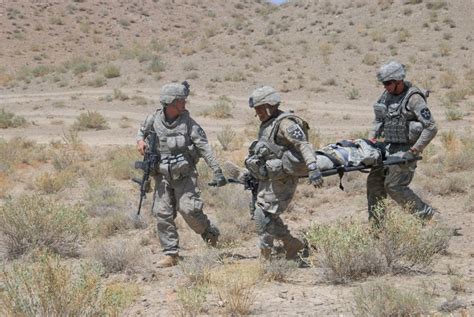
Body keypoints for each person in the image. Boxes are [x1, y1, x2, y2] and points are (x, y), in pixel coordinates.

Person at [136, 81, 227, 268]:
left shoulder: (190, 125)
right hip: (161, 176)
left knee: (189, 210)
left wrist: (217, 170)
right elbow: (140, 132)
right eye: (180, 101)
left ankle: (209, 233)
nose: (184, 103)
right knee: (162, 213)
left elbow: (204, 148)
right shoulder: (153, 120)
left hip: (185, 176)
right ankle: (171, 253)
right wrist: (140, 142)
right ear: (170, 102)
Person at [244, 86, 324, 261]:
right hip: (269, 175)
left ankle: (266, 258)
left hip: (284, 177)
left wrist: (313, 168)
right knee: (262, 213)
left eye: (259, 108)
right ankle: (292, 244)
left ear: (270, 105)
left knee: (263, 215)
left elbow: (303, 145)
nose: (257, 113)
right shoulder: (267, 123)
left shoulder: (286, 124)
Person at [367, 61, 437, 224]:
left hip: (407, 149)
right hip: (388, 147)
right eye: (383, 84)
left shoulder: (414, 98)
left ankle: (428, 216)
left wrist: (414, 150)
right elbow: (378, 120)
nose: (385, 87)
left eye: (388, 83)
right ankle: (377, 227)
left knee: (394, 186)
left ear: (398, 81)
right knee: (374, 184)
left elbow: (431, 127)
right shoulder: (385, 96)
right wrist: (371, 140)